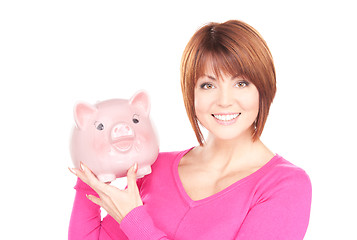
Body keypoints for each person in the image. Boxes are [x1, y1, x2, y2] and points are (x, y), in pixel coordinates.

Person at [68, 20, 312, 240]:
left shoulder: (285, 186)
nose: (224, 100)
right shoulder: (154, 168)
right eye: (208, 85)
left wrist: (134, 220)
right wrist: (92, 171)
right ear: (191, 94)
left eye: (241, 83)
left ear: (264, 89)